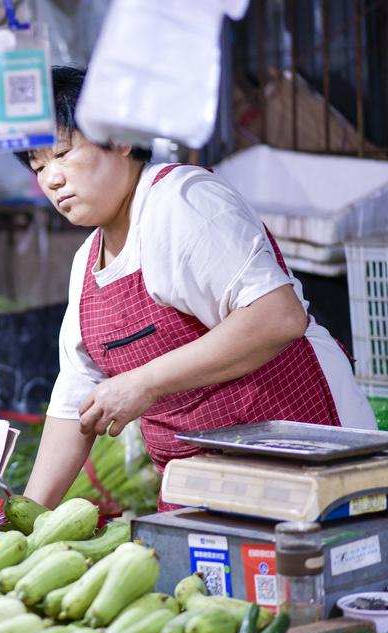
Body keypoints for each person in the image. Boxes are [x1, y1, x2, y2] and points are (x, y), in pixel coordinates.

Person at [19, 66, 376, 512]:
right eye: (38, 166)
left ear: (121, 139)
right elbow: (75, 404)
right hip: (198, 489)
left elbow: (278, 316)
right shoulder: (86, 264)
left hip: (304, 459)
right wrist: (28, 516)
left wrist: (144, 384)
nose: (51, 179)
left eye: (63, 153)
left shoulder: (182, 203)